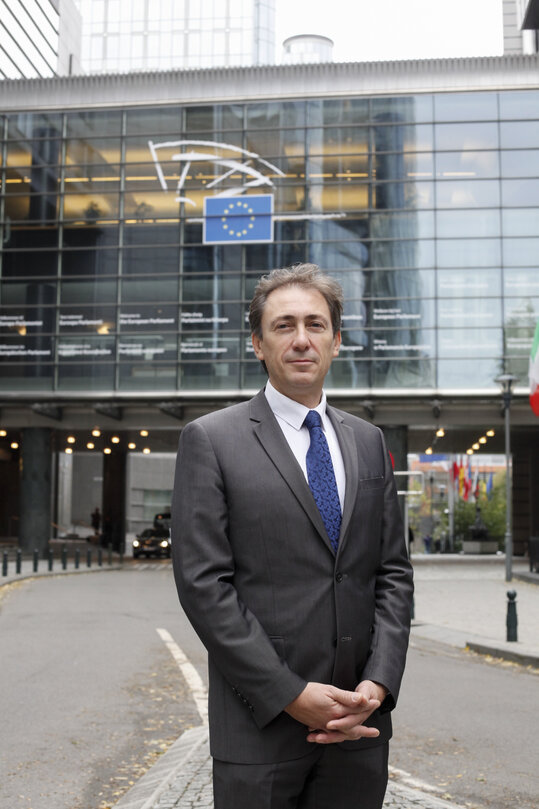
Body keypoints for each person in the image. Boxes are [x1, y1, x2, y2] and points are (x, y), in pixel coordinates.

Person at [171, 263, 414, 809]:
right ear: (257, 343)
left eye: (315, 324)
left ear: (336, 340)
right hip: (260, 729)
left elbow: (393, 573)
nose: (302, 339)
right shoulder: (211, 440)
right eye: (284, 326)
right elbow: (203, 585)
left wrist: (378, 684)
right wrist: (289, 694)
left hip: (359, 726)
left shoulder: (369, 442)